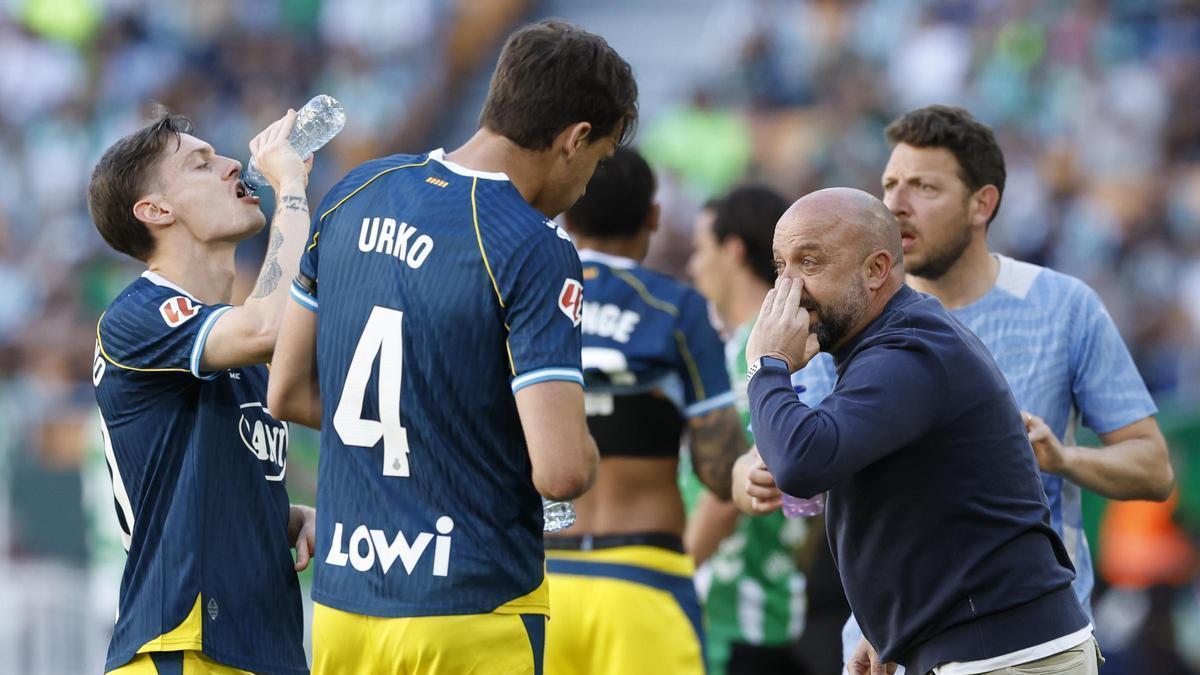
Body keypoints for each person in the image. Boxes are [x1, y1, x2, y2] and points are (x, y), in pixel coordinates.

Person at [266, 20, 637, 675]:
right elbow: (561, 473)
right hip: (470, 613)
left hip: (343, 612)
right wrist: (584, 447)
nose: (585, 188)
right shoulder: (532, 247)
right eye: (599, 161)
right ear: (575, 139)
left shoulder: (353, 191)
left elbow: (288, 390)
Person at [837, 104, 1174, 673]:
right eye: (890, 184)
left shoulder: (1063, 305)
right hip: (884, 646)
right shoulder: (856, 314)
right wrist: (758, 472)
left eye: (923, 186)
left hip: (1033, 644)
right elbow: (808, 463)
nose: (895, 204)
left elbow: (1155, 468)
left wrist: (1064, 459)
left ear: (982, 204)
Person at [734, 187, 1095, 674]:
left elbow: (802, 462)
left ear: (877, 269)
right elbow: (928, 504)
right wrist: (888, 625)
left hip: (1002, 654)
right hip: (978, 645)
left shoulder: (907, 349)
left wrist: (767, 364)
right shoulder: (890, 344)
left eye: (810, 263)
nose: (787, 291)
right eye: (781, 266)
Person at [88, 108, 317, 674]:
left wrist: (284, 515)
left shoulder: (234, 347)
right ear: (156, 210)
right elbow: (268, 326)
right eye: (201, 162)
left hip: (268, 648)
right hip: (185, 647)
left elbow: (188, 490)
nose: (234, 163)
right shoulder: (136, 315)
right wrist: (291, 189)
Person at [542, 147, 745, 675]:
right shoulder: (677, 306)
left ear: (567, 210)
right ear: (653, 215)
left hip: (535, 587)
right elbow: (721, 475)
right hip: (642, 582)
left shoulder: (523, 298)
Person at [682, 184, 839, 675]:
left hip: (733, 623)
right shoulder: (761, 351)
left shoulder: (761, 355)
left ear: (732, 251)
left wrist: (671, 581)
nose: (692, 265)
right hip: (758, 612)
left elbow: (730, 493)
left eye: (699, 249)